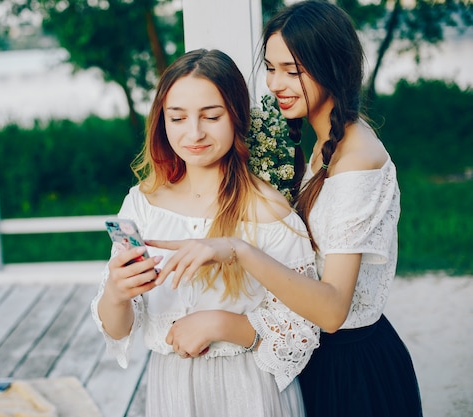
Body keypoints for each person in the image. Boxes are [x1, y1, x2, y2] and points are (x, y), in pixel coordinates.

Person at [147, 2, 424, 417]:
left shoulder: (357, 161)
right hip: (315, 359)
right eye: (271, 68)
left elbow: (332, 310)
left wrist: (236, 249)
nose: (277, 83)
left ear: (332, 66)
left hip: (352, 368)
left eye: (293, 70)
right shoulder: (324, 144)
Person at [90, 48, 320, 417]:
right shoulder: (142, 205)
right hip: (172, 389)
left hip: (249, 389)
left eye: (211, 116)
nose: (193, 133)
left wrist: (222, 324)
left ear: (236, 116)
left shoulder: (268, 211)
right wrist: (116, 294)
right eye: (177, 118)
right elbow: (118, 331)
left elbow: (303, 329)